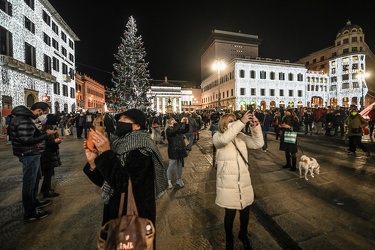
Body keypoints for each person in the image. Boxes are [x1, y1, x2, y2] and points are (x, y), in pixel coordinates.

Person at [82, 108, 168, 231]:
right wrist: (93, 163)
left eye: (125, 119)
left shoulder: (142, 149)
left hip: (134, 217)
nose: (119, 121)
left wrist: (106, 153)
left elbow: (123, 183)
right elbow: (108, 181)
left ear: (137, 126)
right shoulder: (120, 144)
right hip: (117, 211)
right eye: (119, 119)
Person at [213, 111, 264, 250]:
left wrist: (256, 125)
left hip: (243, 181)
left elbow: (258, 143)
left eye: (234, 120)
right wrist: (240, 122)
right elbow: (224, 141)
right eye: (230, 121)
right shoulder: (217, 136)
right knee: (229, 215)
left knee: (245, 212)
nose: (233, 123)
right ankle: (229, 240)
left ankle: (243, 234)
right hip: (228, 183)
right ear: (223, 123)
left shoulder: (240, 136)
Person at [9, 102, 56, 220]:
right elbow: (27, 140)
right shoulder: (24, 120)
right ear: (39, 110)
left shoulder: (25, 119)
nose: (43, 116)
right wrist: (46, 134)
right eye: (44, 113)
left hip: (32, 153)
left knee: (34, 179)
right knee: (29, 182)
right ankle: (30, 212)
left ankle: (34, 202)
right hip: (29, 153)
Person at [40, 114, 62, 198]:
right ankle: (47, 191)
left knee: (48, 173)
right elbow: (44, 142)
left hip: (49, 153)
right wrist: (55, 141)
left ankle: (45, 188)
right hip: (47, 154)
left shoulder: (44, 123)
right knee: (48, 173)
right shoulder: (45, 129)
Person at [164, 117, 189, 189]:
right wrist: (181, 123)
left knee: (180, 166)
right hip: (173, 150)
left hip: (180, 150)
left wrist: (186, 123)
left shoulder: (176, 129)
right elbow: (174, 131)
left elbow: (185, 130)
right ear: (170, 122)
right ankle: (169, 181)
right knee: (171, 166)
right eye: (173, 120)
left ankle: (179, 179)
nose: (174, 121)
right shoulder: (168, 130)